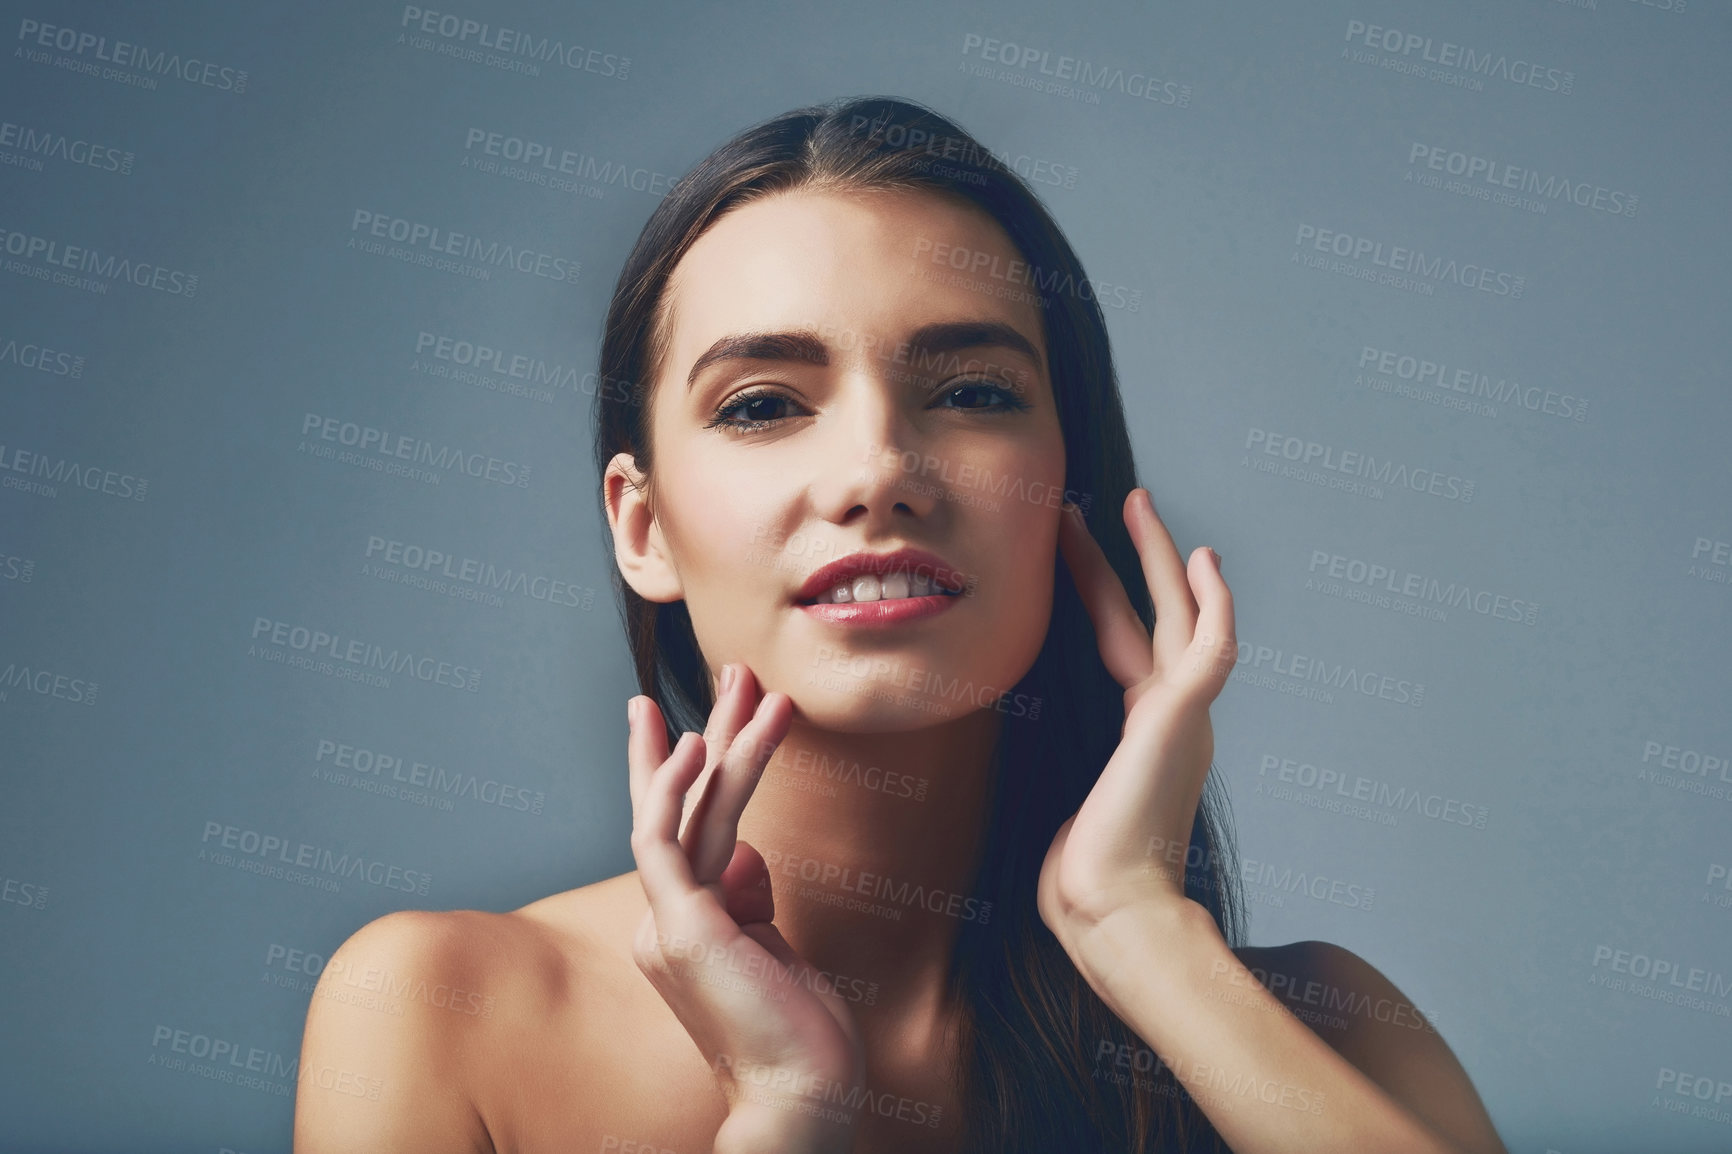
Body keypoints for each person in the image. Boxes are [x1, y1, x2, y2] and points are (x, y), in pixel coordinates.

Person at [293, 96, 1506, 1154]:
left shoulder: (1326, 1030)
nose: (878, 468)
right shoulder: (439, 1008)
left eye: (973, 392)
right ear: (642, 525)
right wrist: (780, 1112)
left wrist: (1137, 930)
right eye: (764, 404)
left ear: (1066, 488)